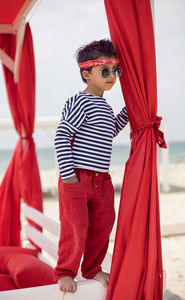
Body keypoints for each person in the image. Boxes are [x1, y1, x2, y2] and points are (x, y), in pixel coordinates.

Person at [54, 39, 129, 294]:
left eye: (115, 70)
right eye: (104, 71)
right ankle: (65, 271)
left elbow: (111, 131)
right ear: (87, 74)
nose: (112, 77)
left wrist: (130, 111)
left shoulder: (105, 106)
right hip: (77, 177)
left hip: (101, 179)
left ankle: (92, 267)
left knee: (104, 222)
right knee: (75, 226)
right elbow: (62, 136)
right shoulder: (80, 102)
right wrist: (69, 176)